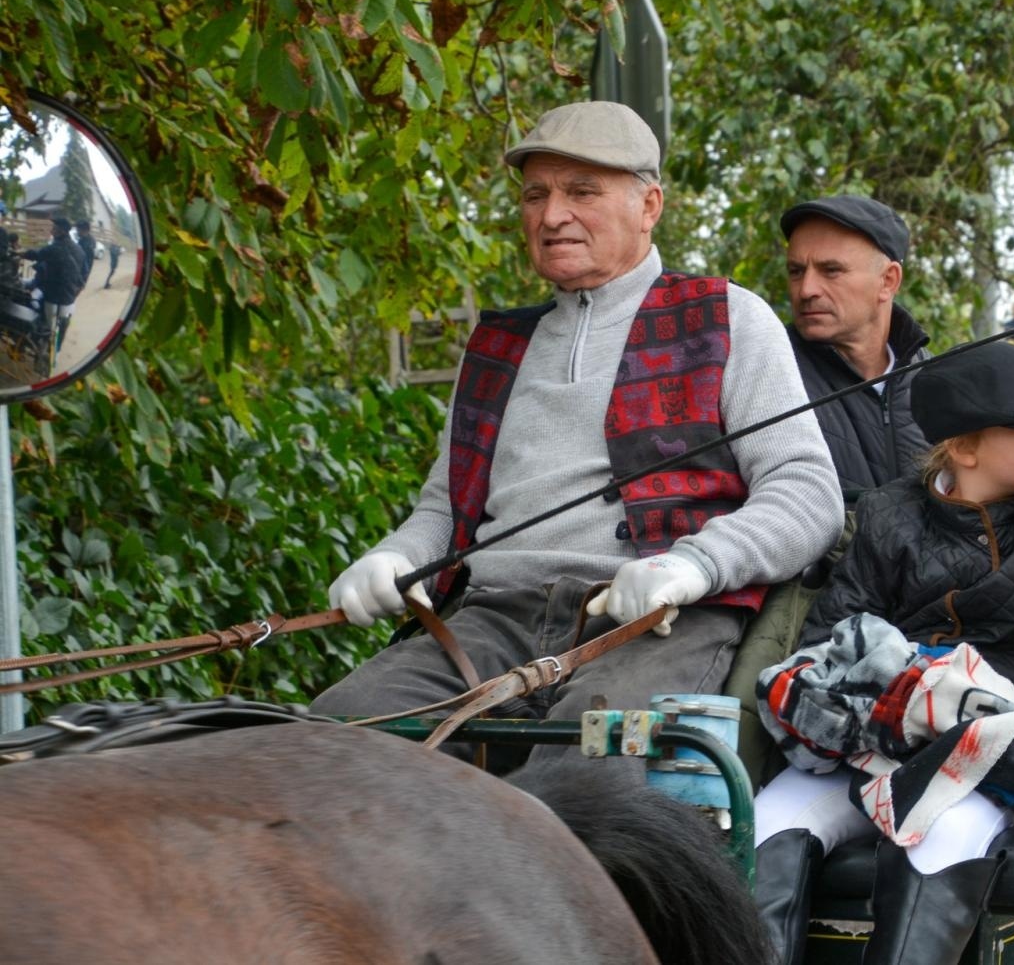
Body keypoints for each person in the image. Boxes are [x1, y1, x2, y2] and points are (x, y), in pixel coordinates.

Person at [310, 102, 844, 790]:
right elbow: (446, 512)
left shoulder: (728, 317)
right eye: (536, 194)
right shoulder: (497, 346)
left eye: (581, 192)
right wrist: (396, 558)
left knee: (577, 795)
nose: (552, 214)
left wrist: (692, 566)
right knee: (335, 742)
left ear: (649, 204)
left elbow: (807, 493)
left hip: (658, 622)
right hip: (491, 619)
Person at [752, 343, 1014, 965]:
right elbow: (833, 637)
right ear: (966, 449)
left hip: (1008, 734)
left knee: (939, 834)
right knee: (769, 824)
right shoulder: (893, 514)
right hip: (890, 730)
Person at [782, 194, 933, 500]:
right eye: (796, 271)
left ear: (888, 281)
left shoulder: (939, 386)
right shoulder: (768, 374)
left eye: (831, 270)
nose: (807, 289)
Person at [21, 218, 84, 356]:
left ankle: (41, 350)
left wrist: (20, 253)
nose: (51, 230)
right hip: (69, 299)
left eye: (54, 228)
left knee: (45, 325)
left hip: (53, 296)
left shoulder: (55, 248)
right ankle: (56, 352)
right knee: (62, 327)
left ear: (61, 231)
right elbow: (82, 274)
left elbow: (36, 255)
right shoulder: (79, 250)